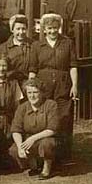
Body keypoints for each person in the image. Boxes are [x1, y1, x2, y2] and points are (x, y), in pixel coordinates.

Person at [29, 13, 78, 160]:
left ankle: (63, 156)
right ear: (44, 29)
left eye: (55, 28)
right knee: (44, 117)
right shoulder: (37, 45)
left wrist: (74, 85)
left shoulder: (67, 43)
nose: (52, 31)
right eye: (49, 28)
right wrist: (31, 88)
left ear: (59, 28)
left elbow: (73, 66)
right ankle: (43, 154)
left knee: (64, 118)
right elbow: (33, 69)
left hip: (63, 86)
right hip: (44, 87)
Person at [9, 78, 58, 180]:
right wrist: (19, 146)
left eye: (35, 92)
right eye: (29, 92)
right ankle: (33, 166)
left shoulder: (51, 104)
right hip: (28, 138)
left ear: (42, 93)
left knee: (47, 144)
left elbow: (52, 129)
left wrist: (33, 139)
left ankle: (47, 167)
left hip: (45, 137)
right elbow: (15, 129)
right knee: (13, 150)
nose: (32, 96)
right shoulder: (22, 107)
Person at [0, 14, 33, 83]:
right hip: (10, 83)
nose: (21, 32)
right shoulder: (4, 48)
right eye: (18, 29)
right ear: (12, 30)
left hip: (28, 83)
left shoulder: (33, 45)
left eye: (23, 29)